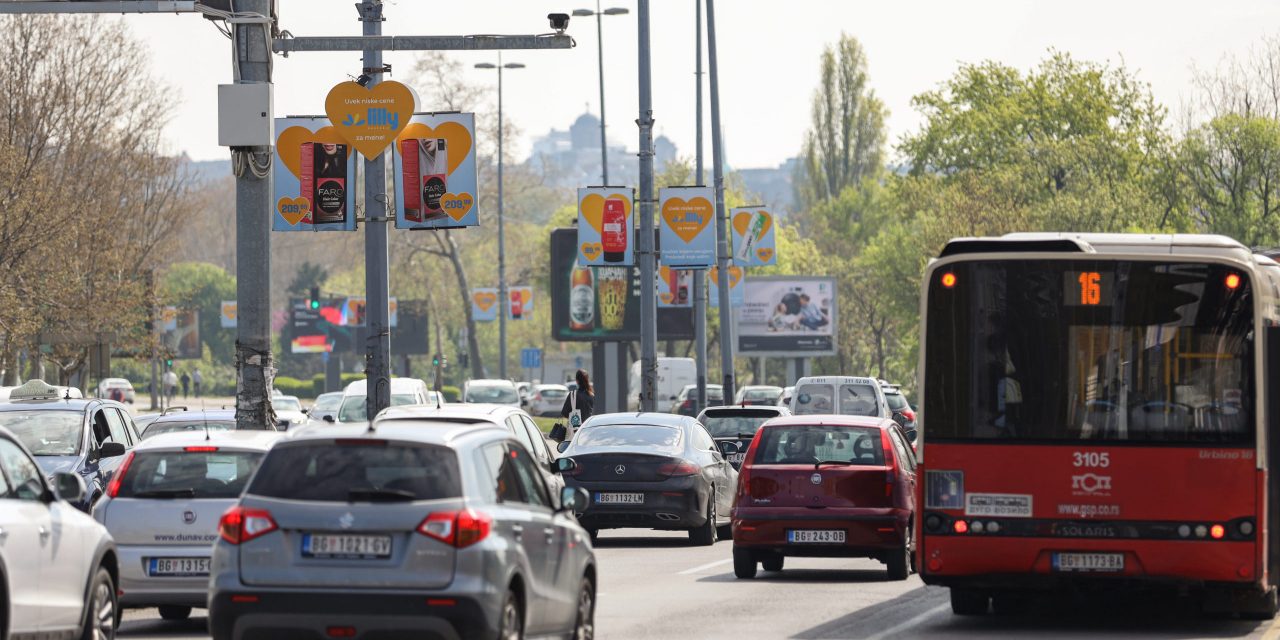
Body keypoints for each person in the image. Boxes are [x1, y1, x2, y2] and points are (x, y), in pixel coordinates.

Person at [560, 369, 595, 441]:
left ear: (577, 381)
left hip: (574, 431)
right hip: (588, 429)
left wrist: (574, 416)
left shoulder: (572, 394)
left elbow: (564, 413)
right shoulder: (591, 395)